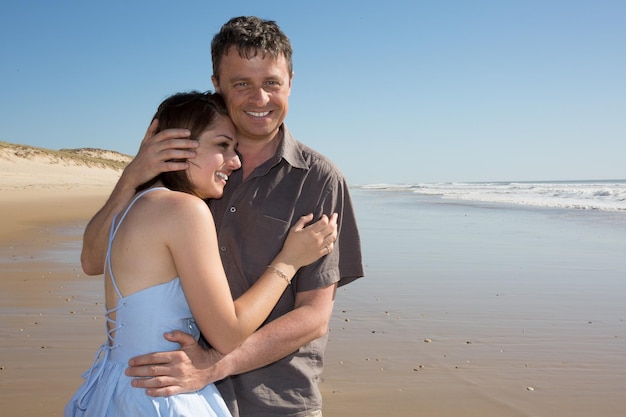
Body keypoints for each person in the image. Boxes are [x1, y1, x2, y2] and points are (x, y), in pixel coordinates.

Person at [80, 16, 364, 417]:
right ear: (217, 83)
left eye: (271, 83)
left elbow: (314, 317)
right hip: (175, 392)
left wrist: (215, 365)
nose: (259, 98)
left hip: (276, 399)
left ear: (291, 82)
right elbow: (93, 260)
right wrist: (130, 177)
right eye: (242, 83)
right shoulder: (185, 173)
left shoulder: (319, 179)